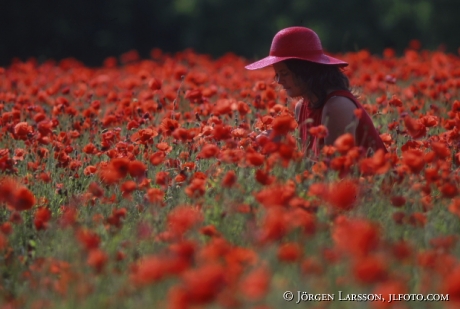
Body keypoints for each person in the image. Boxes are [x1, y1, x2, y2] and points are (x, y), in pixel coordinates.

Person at [245, 27, 387, 157]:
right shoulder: (302, 107)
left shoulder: (337, 105)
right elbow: (311, 167)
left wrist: (284, 147)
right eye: (277, 75)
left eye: (285, 73)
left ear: (306, 71)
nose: (279, 81)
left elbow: (335, 173)